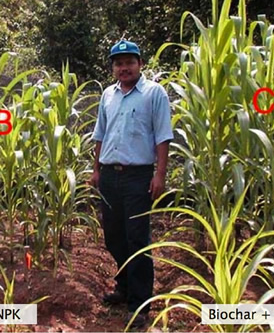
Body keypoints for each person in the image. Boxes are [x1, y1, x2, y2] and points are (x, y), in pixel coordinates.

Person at [89, 39, 173, 330]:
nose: (124, 68)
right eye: (118, 63)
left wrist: (159, 175)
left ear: (140, 64)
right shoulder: (108, 95)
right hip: (109, 175)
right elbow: (100, 133)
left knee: (137, 239)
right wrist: (96, 169)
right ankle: (124, 287)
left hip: (138, 176)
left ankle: (140, 305)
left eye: (129, 62)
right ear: (113, 68)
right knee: (113, 236)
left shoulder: (153, 93)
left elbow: (163, 137)